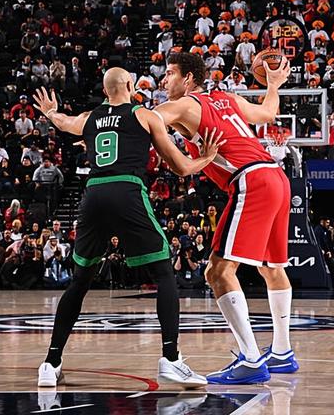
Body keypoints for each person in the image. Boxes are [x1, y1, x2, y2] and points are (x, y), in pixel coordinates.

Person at [32, 67, 224, 388]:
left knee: (80, 281)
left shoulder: (89, 118)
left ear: (106, 91)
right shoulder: (144, 115)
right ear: (131, 86)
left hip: (93, 194)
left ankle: (50, 364)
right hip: (127, 190)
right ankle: (171, 358)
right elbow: (180, 167)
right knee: (163, 273)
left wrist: (51, 112)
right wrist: (206, 158)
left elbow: (64, 122)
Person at [155, 52, 297, 384]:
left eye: (170, 73)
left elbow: (147, 119)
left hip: (251, 180)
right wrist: (273, 85)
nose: (164, 80)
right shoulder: (228, 98)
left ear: (188, 79)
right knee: (271, 268)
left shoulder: (185, 105)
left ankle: (251, 360)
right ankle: (282, 352)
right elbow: (268, 112)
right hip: (276, 177)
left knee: (217, 272)